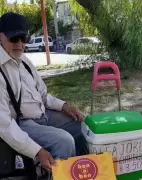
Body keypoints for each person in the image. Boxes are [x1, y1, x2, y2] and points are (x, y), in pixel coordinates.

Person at [0, 12, 84, 171]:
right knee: (64, 141)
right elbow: (4, 125)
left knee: (80, 125)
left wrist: (64, 105)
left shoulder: (24, 60)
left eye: (23, 39)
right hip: (21, 123)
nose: (19, 44)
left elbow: (43, 95)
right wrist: (37, 151)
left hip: (43, 114)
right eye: (14, 39)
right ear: (0, 38)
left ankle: (77, 171)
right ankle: (58, 173)